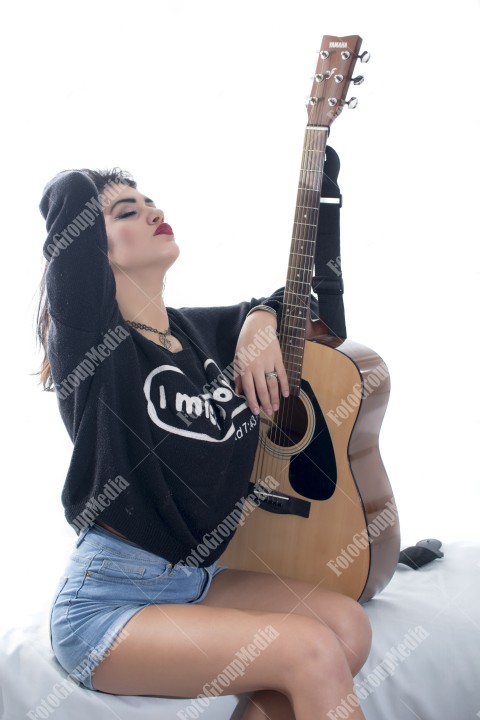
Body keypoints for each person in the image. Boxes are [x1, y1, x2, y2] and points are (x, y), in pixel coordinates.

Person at [35, 167, 371, 720]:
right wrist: (98, 186)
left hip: (196, 579)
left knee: (347, 629)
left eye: (150, 202)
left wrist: (261, 318)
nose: (152, 212)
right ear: (94, 247)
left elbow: (307, 306)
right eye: (125, 213)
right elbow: (66, 196)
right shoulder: (92, 339)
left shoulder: (202, 335)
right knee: (309, 653)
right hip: (109, 600)